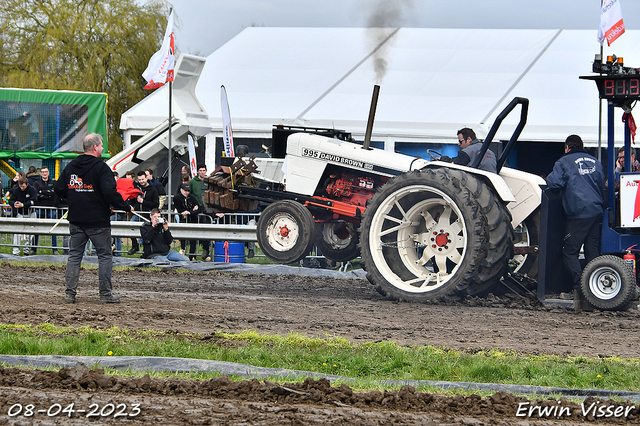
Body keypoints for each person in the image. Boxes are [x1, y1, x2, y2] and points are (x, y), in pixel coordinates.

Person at [54, 133, 133, 304]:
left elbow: (59, 189)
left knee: (74, 256)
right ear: (95, 147)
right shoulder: (101, 168)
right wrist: (126, 207)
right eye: (102, 145)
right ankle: (105, 295)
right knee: (104, 256)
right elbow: (109, 192)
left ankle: (70, 294)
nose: (103, 148)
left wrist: (74, 199)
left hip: (76, 220)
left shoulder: (70, 166)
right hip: (98, 221)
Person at [546, 134, 605, 311]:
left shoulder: (563, 162)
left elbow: (554, 183)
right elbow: (601, 181)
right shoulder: (595, 161)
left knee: (569, 251)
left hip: (579, 213)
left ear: (567, 147)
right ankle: (595, 289)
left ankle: (579, 289)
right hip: (596, 211)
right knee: (592, 250)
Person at [127, 170, 159, 255]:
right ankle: (135, 245)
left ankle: (146, 252)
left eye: (143, 179)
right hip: (137, 213)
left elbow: (156, 204)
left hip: (147, 215)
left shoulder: (153, 189)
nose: (141, 181)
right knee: (130, 226)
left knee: (146, 233)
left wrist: (143, 201)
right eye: (140, 179)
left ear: (146, 178)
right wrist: (131, 206)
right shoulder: (137, 188)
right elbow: (132, 199)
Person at [9, 177, 37, 255]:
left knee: (30, 234)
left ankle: (26, 251)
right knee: (17, 233)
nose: (21, 188)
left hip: (31, 213)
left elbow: (33, 201)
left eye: (23, 186)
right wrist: (14, 204)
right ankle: (15, 252)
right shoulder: (17, 190)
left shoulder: (32, 189)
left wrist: (23, 205)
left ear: (27, 184)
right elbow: (10, 200)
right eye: (20, 186)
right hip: (20, 214)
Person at [189, 164, 211, 261]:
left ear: (206, 171)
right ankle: (192, 254)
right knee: (194, 233)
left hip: (207, 210)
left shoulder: (209, 181)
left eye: (203, 170)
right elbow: (188, 194)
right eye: (200, 170)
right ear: (197, 171)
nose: (202, 172)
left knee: (206, 232)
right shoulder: (192, 182)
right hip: (196, 210)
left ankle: (206, 252)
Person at [33, 166, 58, 254]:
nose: (44, 173)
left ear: (48, 172)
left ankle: (55, 249)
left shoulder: (53, 182)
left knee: (53, 229)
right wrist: (47, 193)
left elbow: (54, 193)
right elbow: (36, 194)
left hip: (51, 209)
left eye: (46, 171)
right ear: (40, 173)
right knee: (36, 229)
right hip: (39, 209)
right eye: (43, 172)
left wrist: (42, 192)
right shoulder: (36, 183)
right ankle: (33, 249)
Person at [173, 183, 201, 260]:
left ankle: (192, 256)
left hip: (193, 219)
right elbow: (179, 209)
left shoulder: (192, 197)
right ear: (181, 190)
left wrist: (190, 212)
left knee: (193, 239)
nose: (187, 192)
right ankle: (183, 250)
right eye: (185, 190)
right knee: (183, 237)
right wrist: (191, 210)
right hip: (183, 219)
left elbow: (198, 208)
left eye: (188, 191)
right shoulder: (177, 197)